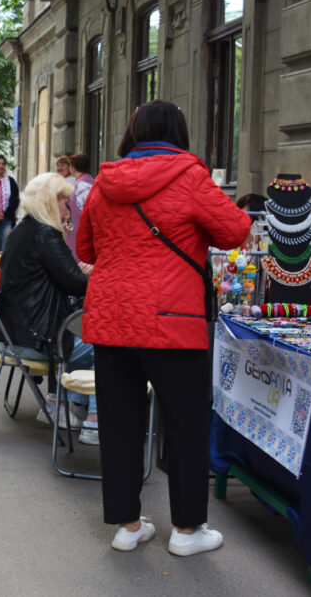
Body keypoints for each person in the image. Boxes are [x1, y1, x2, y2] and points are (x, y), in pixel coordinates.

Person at [76, 100, 250, 556]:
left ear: (134, 132)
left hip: (113, 319)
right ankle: (187, 533)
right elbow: (236, 231)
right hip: (175, 321)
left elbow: (86, 247)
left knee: (120, 424)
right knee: (186, 425)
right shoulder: (191, 177)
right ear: (179, 131)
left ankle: (128, 526)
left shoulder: (103, 183)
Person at [0, 172, 91, 429]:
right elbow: (77, 284)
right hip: (37, 337)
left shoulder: (21, 231)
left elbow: (59, 274)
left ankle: (63, 403)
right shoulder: (46, 235)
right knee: (104, 340)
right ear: (50, 202)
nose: (68, 209)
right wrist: (96, 273)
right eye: (64, 202)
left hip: (14, 331)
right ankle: (90, 419)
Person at [65, 153, 95, 261]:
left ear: (73, 167)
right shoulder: (85, 182)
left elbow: (87, 208)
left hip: (81, 230)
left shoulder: (82, 185)